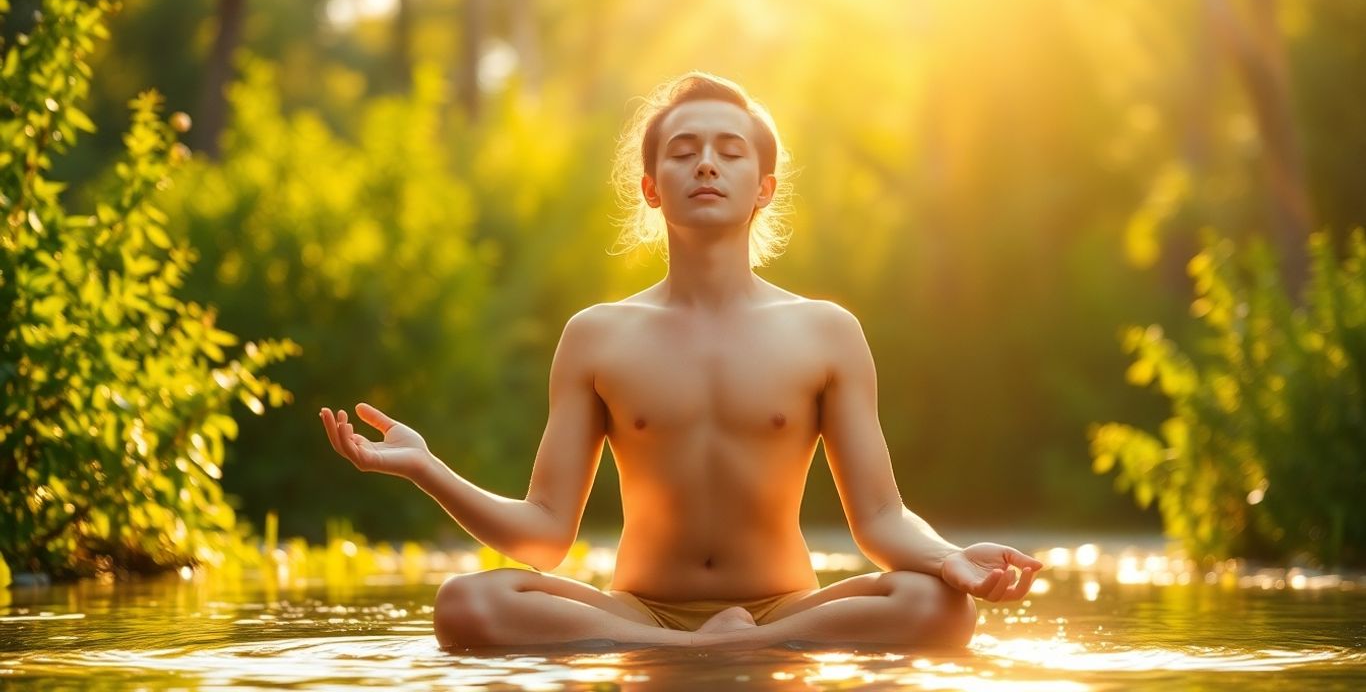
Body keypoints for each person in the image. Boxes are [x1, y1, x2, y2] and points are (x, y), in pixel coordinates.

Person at [320, 72, 1042, 651]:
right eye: (683, 150)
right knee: (466, 603)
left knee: (935, 605)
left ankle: (729, 646)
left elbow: (881, 517)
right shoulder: (596, 335)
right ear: (650, 186)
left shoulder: (826, 331)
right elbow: (544, 534)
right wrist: (424, 466)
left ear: (763, 188)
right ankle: (700, 650)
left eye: (731, 151)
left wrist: (948, 558)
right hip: (639, 609)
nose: (705, 162)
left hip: (786, 607)